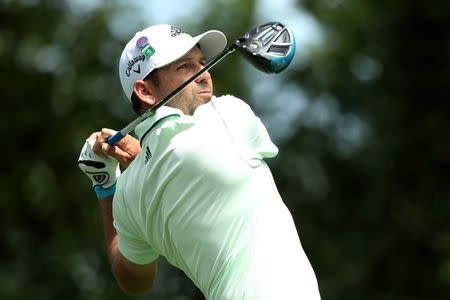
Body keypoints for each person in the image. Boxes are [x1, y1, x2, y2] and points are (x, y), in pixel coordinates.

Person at [78, 24, 321, 299]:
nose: (205, 76)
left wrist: (106, 185)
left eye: (203, 63)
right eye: (185, 67)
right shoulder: (228, 115)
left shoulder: (131, 194)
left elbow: (132, 280)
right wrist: (142, 159)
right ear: (145, 91)